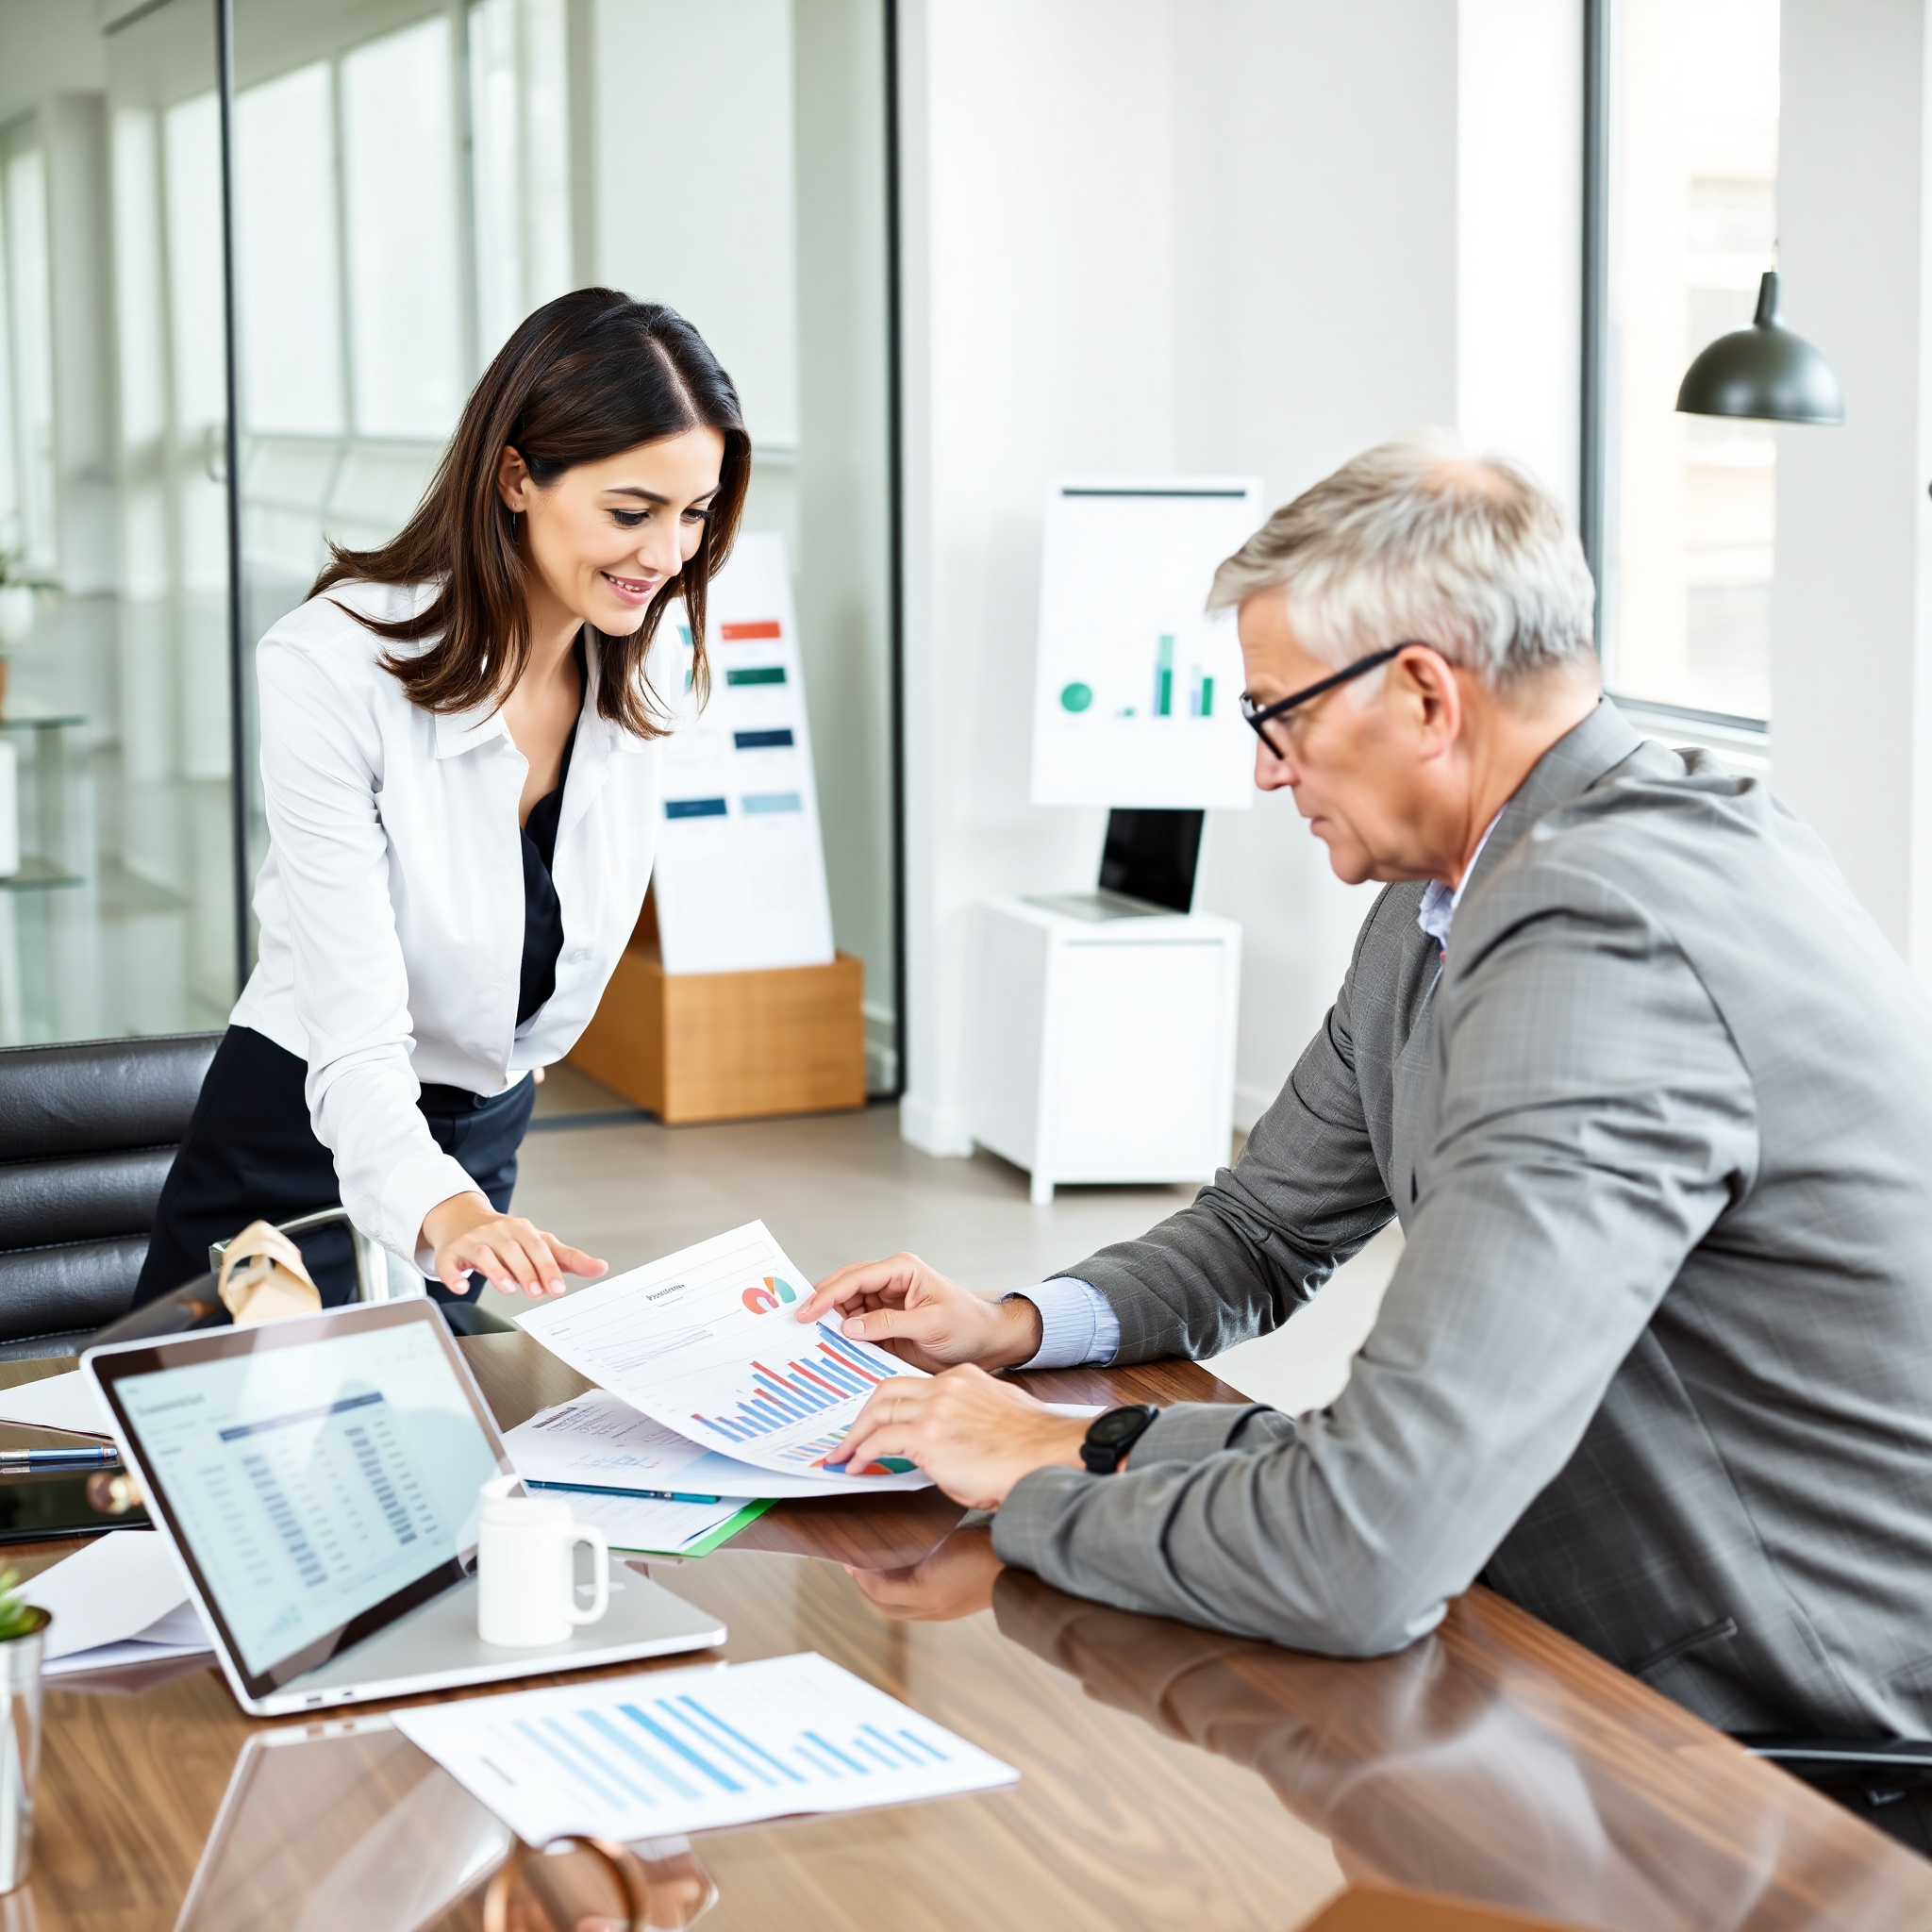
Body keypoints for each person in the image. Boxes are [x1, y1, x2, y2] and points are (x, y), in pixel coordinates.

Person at [798, 431, 1932, 1758]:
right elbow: (1266, 1225)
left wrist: (1043, 1468)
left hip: (1794, 1732)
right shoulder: (1454, 891)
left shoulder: (1604, 931)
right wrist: (1013, 1329)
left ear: (1424, 696)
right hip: (1588, 1598)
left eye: (1276, 717)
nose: (1265, 770)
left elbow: (1364, 1545)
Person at [136, 289, 749, 1316]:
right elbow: (355, 1030)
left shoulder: (644, 671)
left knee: (435, 1414)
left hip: (481, 1141)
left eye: (695, 513)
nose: (667, 555)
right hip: (301, 1134)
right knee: (223, 1415)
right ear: (516, 477)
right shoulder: (333, 665)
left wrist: (489, 1106)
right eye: (630, 512)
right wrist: (444, 1203)